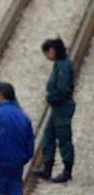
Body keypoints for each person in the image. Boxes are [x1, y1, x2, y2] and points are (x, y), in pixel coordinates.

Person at [35, 36, 77, 182]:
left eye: (47, 53)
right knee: (49, 136)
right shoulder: (59, 64)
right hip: (57, 108)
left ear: (52, 51)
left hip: (62, 107)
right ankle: (47, 167)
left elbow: (63, 89)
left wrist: (51, 97)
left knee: (64, 137)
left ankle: (67, 169)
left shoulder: (63, 66)